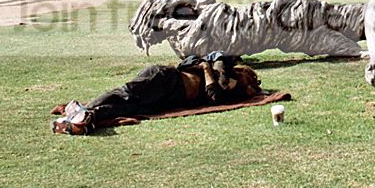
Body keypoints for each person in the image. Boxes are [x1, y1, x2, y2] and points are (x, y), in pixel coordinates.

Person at [52, 53, 263, 135]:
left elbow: (214, 97)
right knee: (125, 93)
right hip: (165, 78)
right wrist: (209, 71)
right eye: (250, 80)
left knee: (130, 107)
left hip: (170, 98)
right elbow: (193, 63)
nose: (250, 85)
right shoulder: (221, 68)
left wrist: (210, 74)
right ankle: (81, 111)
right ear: (243, 73)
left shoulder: (225, 87)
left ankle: (88, 117)